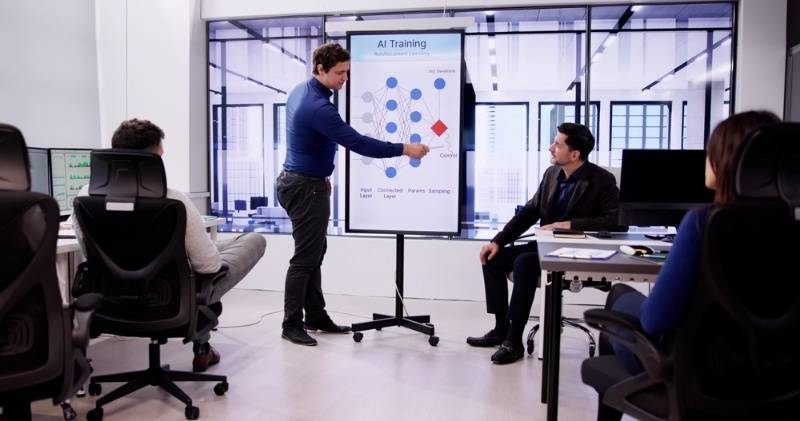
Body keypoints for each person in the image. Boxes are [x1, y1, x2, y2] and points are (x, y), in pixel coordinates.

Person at [594, 110, 781, 421]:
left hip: (698, 375)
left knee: (618, 298)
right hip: (773, 376)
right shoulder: (787, 228)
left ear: (727, 160)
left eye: (711, 151)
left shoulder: (702, 223)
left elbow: (654, 321)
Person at [71, 118, 267, 372]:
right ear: (150, 160)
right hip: (171, 300)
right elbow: (208, 267)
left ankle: (202, 340)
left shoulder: (84, 198)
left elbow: (89, 255)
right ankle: (202, 342)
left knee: (215, 248)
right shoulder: (174, 200)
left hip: (113, 300)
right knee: (252, 240)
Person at [277, 43, 430, 346]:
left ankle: (315, 316)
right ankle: (291, 324)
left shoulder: (301, 91)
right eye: (339, 73)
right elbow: (358, 143)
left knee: (313, 253)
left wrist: (321, 174)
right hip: (305, 187)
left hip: (300, 182)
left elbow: (308, 141)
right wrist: (404, 148)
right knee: (305, 259)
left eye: (347, 71)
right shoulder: (318, 107)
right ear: (320, 69)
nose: (345, 78)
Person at [467, 122, 622, 365]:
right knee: (492, 258)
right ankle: (501, 328)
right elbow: (530, 212)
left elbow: (616, 222)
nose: (550, 147)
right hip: (545, 247)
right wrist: (498, 241)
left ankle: (514, 340)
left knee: (525, 263)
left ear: (575, 154)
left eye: (557, 144)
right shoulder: (552, 174)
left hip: (576, 252)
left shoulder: (602, 180)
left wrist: (570, 224)